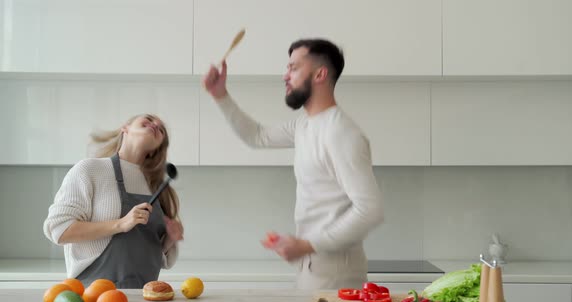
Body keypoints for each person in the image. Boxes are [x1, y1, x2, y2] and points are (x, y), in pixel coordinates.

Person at [202, 39, 384, 289]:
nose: (285, 76)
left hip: (336, 276)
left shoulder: (340, 133)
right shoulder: (305, 125)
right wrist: (220, 95)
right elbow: (257, 136)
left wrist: (306, 244)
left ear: (320, 74)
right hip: (313, 268)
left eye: (294, 68)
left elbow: (370, 210)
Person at [43, 114, 184, 288]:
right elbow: (59, 229)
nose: (155, 124)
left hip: (144, 299)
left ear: (157, 148)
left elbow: (153, 254)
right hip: (93, 298)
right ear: (125, 128)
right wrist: (121, 224)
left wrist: (170, 239)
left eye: (161, 129)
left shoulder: (159, 187)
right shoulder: (90, 170)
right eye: (148, 120)